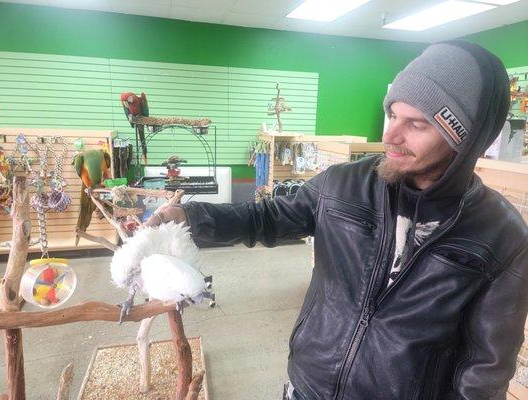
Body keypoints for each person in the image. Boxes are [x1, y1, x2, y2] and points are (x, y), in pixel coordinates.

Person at [144, 41, 527, 400]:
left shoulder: (502, 236)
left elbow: (485, 368)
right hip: (308, 384)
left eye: (417, 124)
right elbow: (265, 217)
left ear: (464, 139)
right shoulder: (344, 184)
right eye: (392, 114)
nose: (390, 135)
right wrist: (188, 216)